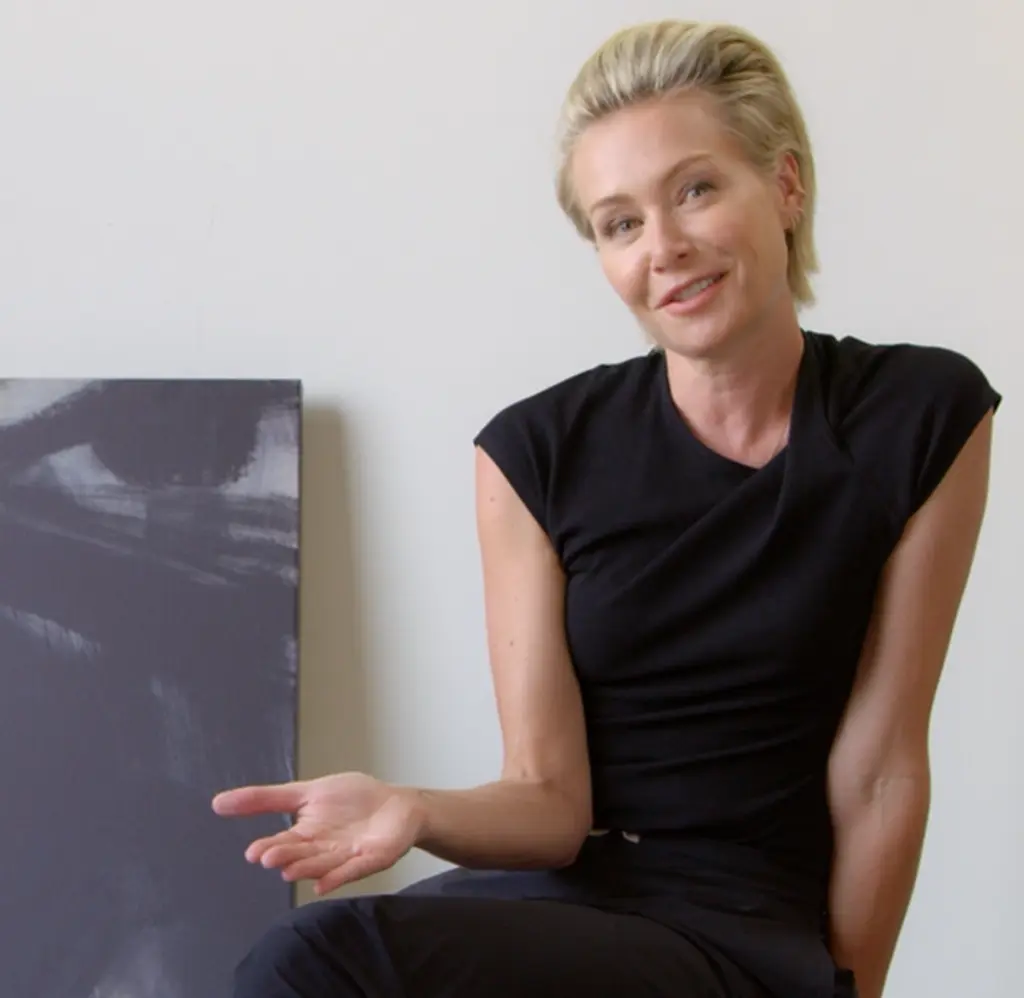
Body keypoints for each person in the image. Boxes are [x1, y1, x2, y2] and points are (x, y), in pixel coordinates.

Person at [212, 19, 1000, 998]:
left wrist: (851, 987)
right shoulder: (533, 451)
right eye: (620, 223)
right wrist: (412, 807)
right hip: (556, 899)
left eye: (696, 190)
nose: (663, 248)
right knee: (314, 954)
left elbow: (881, 766)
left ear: (786, 185)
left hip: (743, 922)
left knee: (319, 959)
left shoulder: (917, 416)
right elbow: (548, 802)